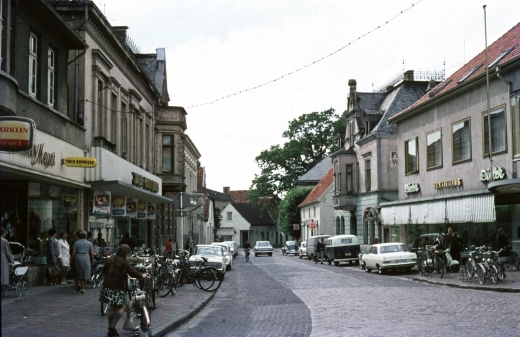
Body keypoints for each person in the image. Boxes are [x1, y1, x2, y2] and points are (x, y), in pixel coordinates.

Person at [99, 244, 147, 337]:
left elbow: (104, 271)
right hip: (118, 287)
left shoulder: (111, 259)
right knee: (122, 306)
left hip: (108, 286)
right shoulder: (124, 262)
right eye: (128, 253)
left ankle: (110, 329)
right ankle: (112, 326)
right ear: (126, 253)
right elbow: (132, 272)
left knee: (112, 307)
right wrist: (142, 275)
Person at [1, 228, 14, 297]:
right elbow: (8, 253)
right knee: (4, 276)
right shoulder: (4, 241)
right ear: (3, 234)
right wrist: (11, 260)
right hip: (3, 261)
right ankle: (4, 292)